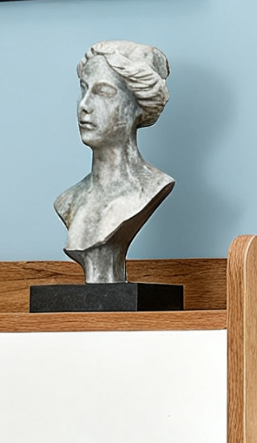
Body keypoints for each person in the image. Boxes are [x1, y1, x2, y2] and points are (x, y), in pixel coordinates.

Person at [54, 41, 174, 284]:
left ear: (139, 105)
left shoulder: (151, 189)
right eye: (83, 89)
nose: (84, 106)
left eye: (103, 92)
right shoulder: (68, 201)